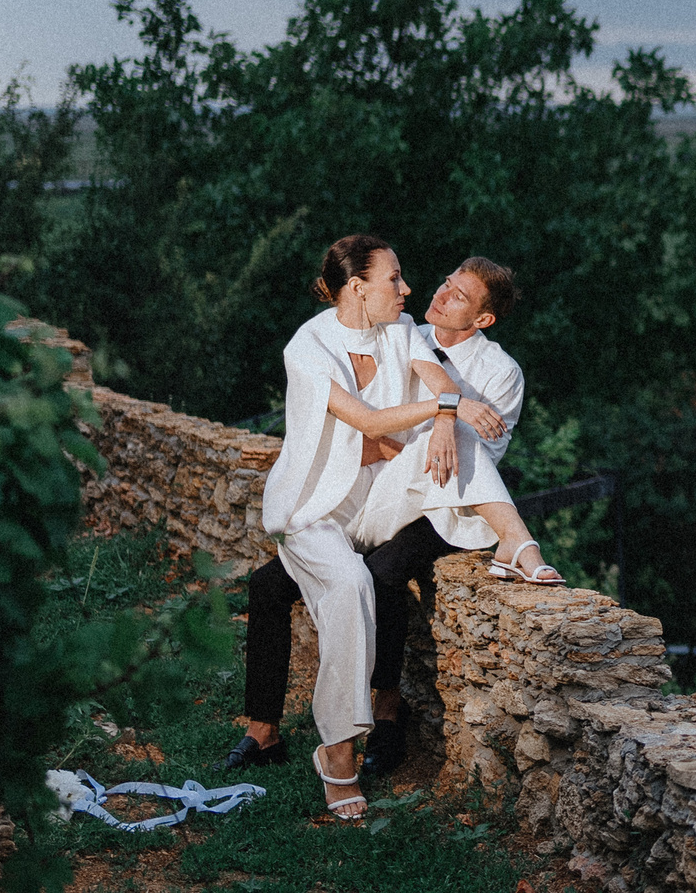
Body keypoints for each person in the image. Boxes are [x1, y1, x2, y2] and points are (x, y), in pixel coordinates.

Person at [233, 236, 559, 821]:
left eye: (455, 293)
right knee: (341, 585)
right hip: (319, 508)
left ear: (483, 317)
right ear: (358, 288)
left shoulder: (406, 331)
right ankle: (331, 750)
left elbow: (446, 403)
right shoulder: (308, 347)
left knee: (446, 455)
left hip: (407, 498)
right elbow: (371, 422)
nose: (414, 289)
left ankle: (517, 542)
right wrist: (444, 410)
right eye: (396, 278)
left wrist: (446, 416)